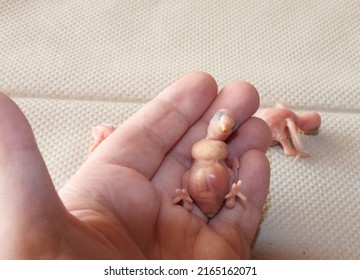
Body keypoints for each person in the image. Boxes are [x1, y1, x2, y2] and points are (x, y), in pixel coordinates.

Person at [0, 71, 271, 259]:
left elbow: (232, 164)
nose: (225, 128)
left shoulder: (219, 153)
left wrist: (229, 183)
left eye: (228, 126)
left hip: (214, 187)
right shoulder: (197, 155)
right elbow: (197, 171)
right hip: (200, 186)